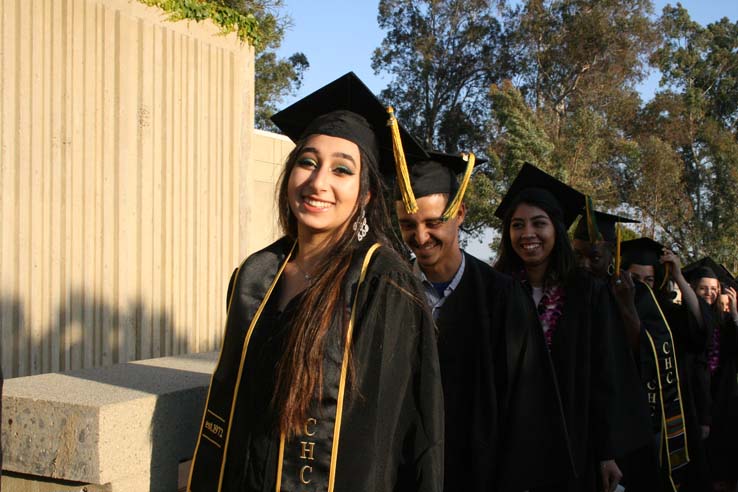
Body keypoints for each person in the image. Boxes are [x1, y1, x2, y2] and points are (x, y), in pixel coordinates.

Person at [187, 72, 444, 492]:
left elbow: (390, 438)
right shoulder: (257, 274)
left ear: (365, 195)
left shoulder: (383, 285)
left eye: (342, 170)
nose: (318, 181)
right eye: (307, 161)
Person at [394, 153, 571, 491]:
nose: (420, 236)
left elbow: (526, 407)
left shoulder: (502, 297)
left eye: (433, 222)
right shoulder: (390, 290)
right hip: (405, 475)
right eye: (407, 224)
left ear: (459, 214)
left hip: (479, 474)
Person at [493, 163, 649, 492]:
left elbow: (606, 372)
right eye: (517, 225)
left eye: (539, 223)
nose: (527, 234)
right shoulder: (496, 290)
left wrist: (607, 452)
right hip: (508, 439)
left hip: (572, 438)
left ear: (557, 230)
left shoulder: (587, 293)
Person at [572, 212, 660, 492]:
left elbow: (646, 353)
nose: (584, 264)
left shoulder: (635, 293)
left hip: (623, 419)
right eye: (577, 255)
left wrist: (627, 305)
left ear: (612, 254)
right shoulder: (568, 290)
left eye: (594, 257)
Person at [621, 238, 710, 492]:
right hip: (631, 416)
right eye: (635, 278)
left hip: (673, 411)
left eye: (648, 281)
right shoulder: (611, 308)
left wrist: (679, 276)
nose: (641, 287)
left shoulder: (667, 312)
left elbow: (700, 329)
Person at [683, 258, 738, 492]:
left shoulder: (724, 323)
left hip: (720, 399)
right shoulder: (684, 317)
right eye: (704, 288)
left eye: (714, 289)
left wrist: (734, 313)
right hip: (693, 397)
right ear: (693, 288)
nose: (710, 293)